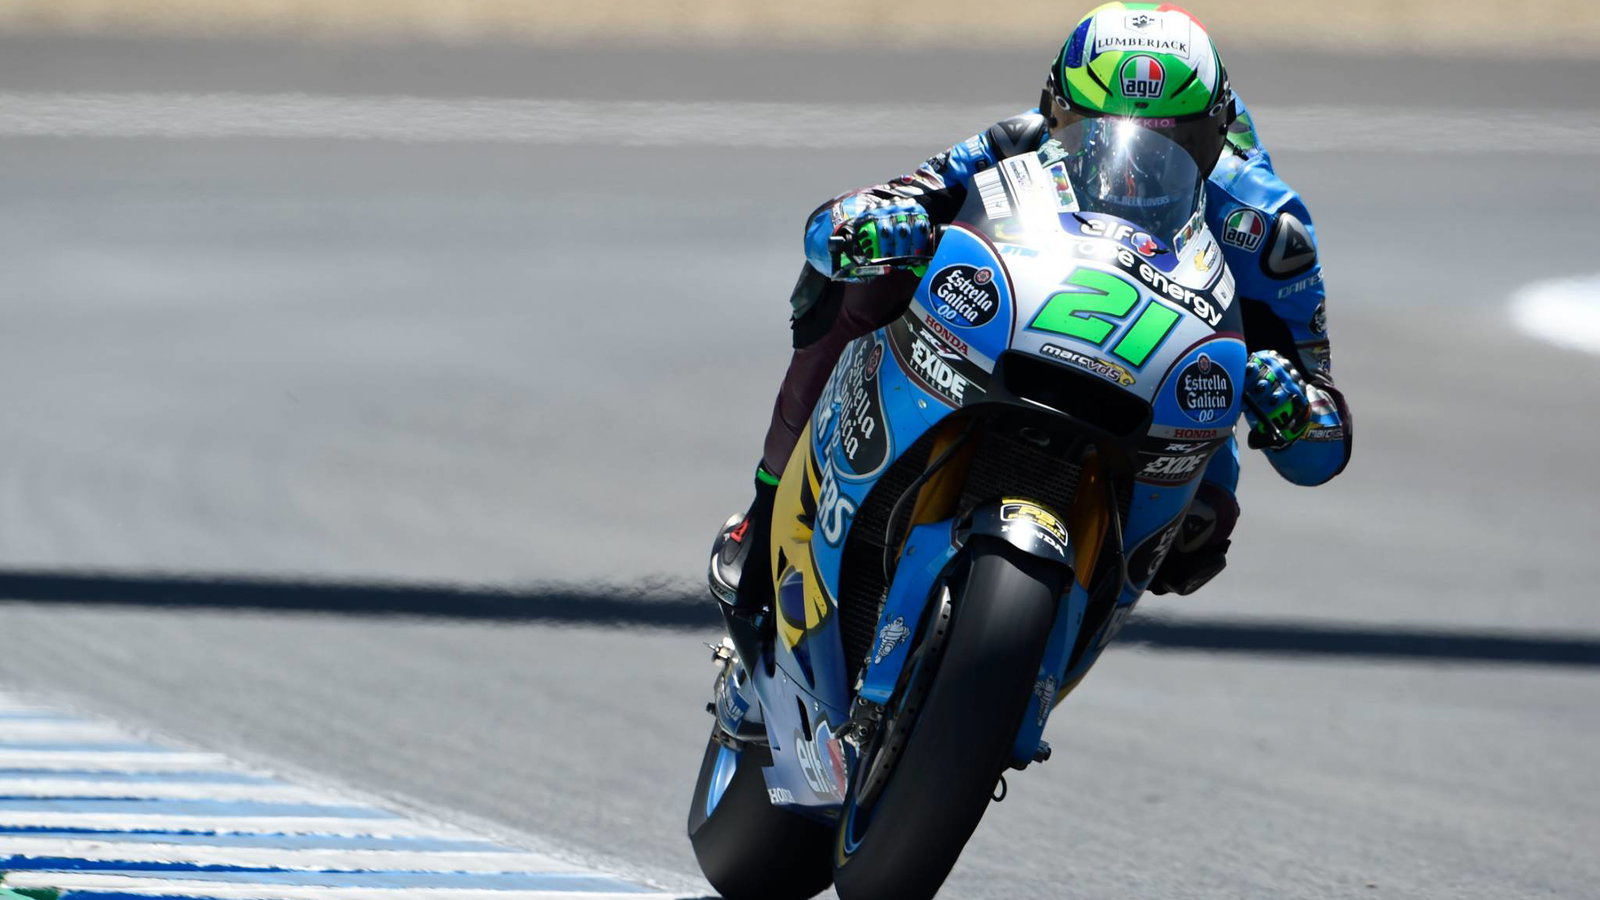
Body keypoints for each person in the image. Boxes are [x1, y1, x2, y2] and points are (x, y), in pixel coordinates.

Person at [707, 1, 1351, 661]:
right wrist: (880, 227)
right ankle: (767, 509)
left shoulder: (1264, 225)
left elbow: (1325, 442)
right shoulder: (1019, 141)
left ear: (1213, 138)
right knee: (860, 279)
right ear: (1055, 112)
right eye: (1095, 134)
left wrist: (1292, 410)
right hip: (1023, 327)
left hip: (1163, 388)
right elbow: (838, 225)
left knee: (1202, 528)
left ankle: (1043, 651)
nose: (1133, 172)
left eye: (1176, 147)